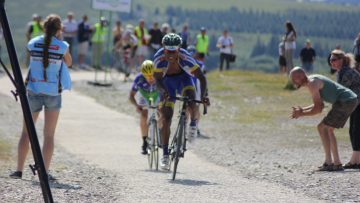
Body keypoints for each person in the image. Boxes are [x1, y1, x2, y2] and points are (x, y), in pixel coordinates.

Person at [9, 14, 72, 180]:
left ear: (44, 28)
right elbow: (69, 63)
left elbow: (32, 58)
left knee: (26, 133)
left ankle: (19, 170)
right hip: (53, 93)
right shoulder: (62, 46)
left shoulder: (32, 43)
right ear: (59, 30)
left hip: (33, 91)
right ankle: (44, 172)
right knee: (49, 135)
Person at [153, 33, 209, 170]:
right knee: (166, 118)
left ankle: (193, 124)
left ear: (179, 49)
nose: (171, 54)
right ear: (163, 48)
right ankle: (165, 156)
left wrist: (203, 96)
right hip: (167, 83)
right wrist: (164, 92)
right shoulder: (158, 59)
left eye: (174, 51)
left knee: (192, 102)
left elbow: (201, 78)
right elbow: (157, 80)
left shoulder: (186, 59)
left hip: (184, 80)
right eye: (168, 51)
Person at [290, 67, 358, 171]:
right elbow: (319, 104)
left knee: (322, 127)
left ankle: (330, 163)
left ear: (300, 76)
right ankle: (334, 163)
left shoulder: (312, 83)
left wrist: (301, 114)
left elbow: (318, 109)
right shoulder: (312, 80)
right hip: (348, 99)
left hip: (345, 101)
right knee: (327, 129)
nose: (293, 81)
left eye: (294, 79)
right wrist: (302, 110)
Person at [329, 49, 360, 169]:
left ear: (342, 60)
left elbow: (342, 91)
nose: (332, 62)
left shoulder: (346, 72)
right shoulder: (341, 72)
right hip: (355, 103)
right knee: (354, 129)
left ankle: (356, 161)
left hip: (358, 102)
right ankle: (356, 160)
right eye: (330, 60)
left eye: (334, 60)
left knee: (356, 130)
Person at [129, 60, 160, 155]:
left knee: (162, 112)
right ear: (143, 74)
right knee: (144, 115)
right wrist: (137, 106)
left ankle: (161, 136)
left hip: (157, 94)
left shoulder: (159, 76)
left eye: (152, 75)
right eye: (147, 76)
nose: (150, 78)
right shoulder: (139, 79)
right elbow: (131, 96)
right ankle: (145, 142)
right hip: (144, 95)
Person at [187, 45, 207, 138]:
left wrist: (205, 93)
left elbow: (204, 79)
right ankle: (185, 126)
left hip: (197, 89)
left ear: (195, 54)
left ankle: (195, 127)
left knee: (196, 108)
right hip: (187, 88)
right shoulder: (183, 63)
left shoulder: (201, 65)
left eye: (193, 53)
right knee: (187, 108)